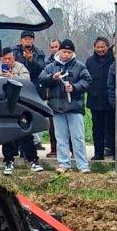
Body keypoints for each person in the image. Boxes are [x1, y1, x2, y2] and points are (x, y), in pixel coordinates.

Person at [39, 39, 91, 173]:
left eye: (69, 52)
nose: (66, 54)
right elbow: (41, 79)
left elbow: (87, 81)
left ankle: (83, 165)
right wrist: (52, 78)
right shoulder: (51, 66)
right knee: (60, 138)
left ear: (73, 53)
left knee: (78, 137)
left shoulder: (79, 66)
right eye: (64, 51)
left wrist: (74, 87)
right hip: (57, 108)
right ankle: (63, 164)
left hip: (74, 108)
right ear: (59, 51)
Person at [0, 45, 44, 174]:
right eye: (5, 59)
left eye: (10, 59)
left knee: (25, 134)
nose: (7, 61)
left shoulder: (21, 68)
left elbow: (27, 83)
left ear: (14, 58)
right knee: (8, 136)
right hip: (5, 106)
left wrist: (12, 76)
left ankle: (33, 161)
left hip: (21, 106)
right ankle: (8, 161)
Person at [85, 36, 115, 160]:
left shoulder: (114, 60)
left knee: (112, 128)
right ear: (94, 47)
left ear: (108, 47)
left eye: (103, 47)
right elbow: (86, 78)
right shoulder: (89, 61)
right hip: (95, 100)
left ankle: (114, 152)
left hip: (111, 100)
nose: (100, 49)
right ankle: (98, 153)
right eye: (98, 47)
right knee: (97, 129)